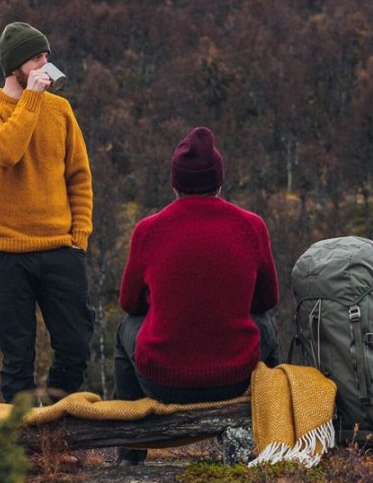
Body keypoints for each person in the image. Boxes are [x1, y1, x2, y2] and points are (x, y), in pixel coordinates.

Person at [114, 126, 279, 465]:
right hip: (235, 376)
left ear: (175, 183)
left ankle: (130, 452)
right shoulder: (251, 226)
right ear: (219, 181)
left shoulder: (149, 230)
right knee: (267, 324)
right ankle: (269, 435)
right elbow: (267, 300)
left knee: (125, 329)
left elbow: (129, 304)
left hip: (162, 380)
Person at [0, 21, 95, 403]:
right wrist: (32, 100)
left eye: (46, 57)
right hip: (6, 250)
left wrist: (79, 237)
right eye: (37, 57)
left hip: (60, 247)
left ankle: (56, 430)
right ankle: (23, 449)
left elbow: (79, 175)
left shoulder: (61, 110)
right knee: (17, 358)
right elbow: (6, 151)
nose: (45, 64)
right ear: (16, 64)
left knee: (75, 346)